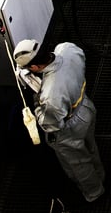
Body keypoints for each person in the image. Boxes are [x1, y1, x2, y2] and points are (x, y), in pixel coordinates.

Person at [14, 39, 105, 202]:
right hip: (85, 106)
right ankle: (100, 174)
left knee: (79, 162)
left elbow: (51, 124)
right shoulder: (67, 48)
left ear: (34, 68)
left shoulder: (50, 95)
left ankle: (94, 192)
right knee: (90, 145)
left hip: (71, 126)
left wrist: (37, 102)